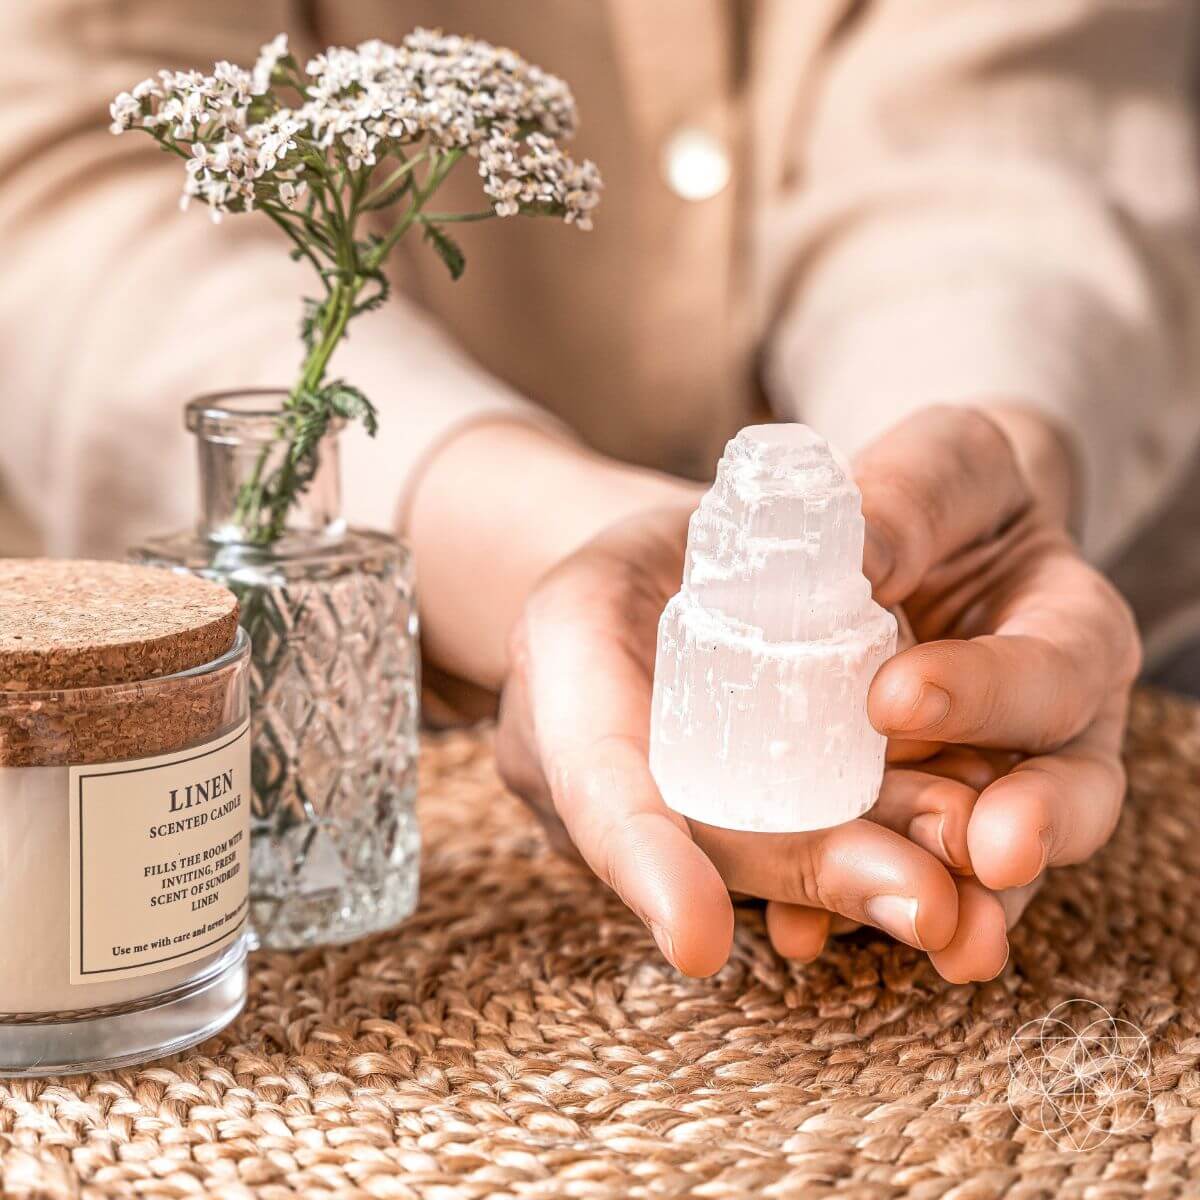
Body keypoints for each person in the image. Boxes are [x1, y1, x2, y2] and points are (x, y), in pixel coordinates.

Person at [2, 1, 1198, 982]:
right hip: (269, 677)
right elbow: (76, 175)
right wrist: (542, 545)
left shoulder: (847, 612)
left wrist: (971, 457)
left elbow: (1009, 119)